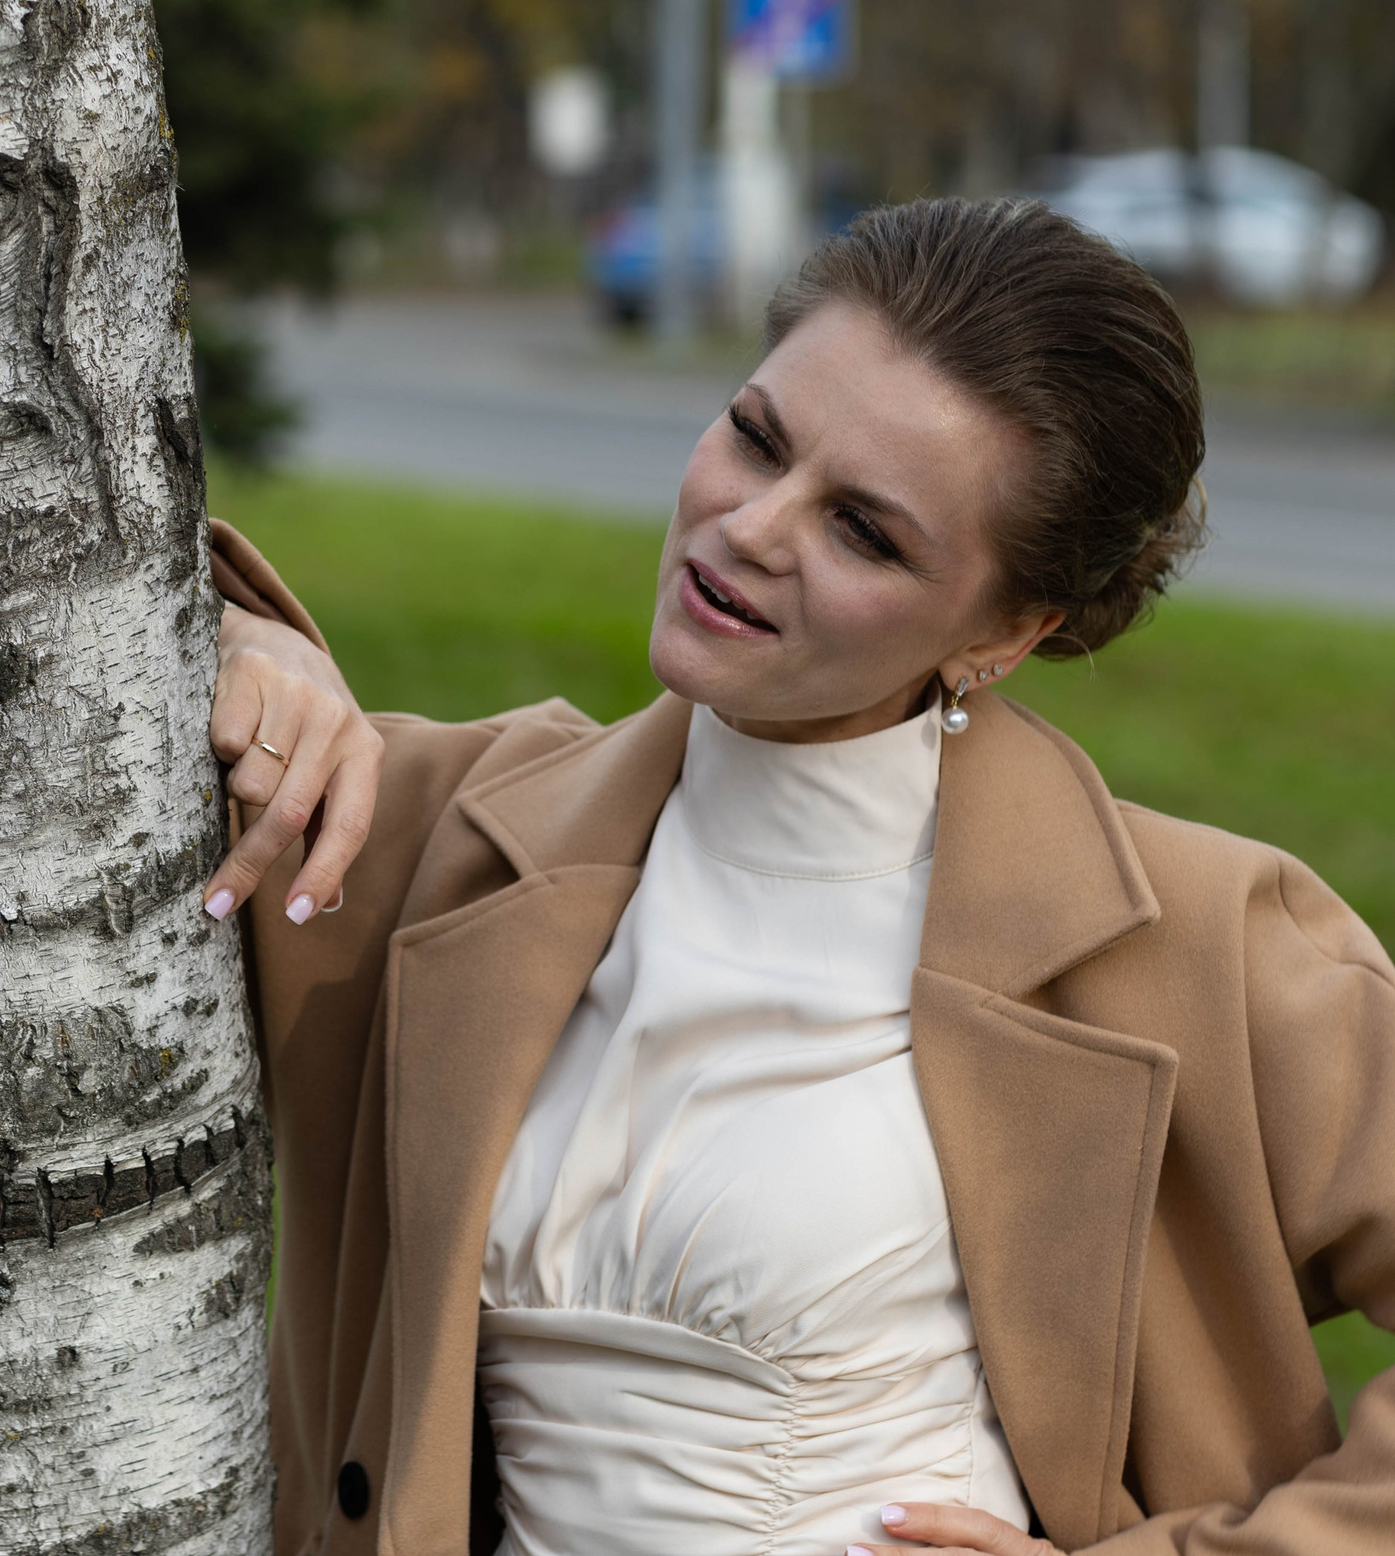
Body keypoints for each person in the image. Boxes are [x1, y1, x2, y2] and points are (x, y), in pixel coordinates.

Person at [199, 198, 1395, 1556]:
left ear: (1007, 632)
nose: (751, 527)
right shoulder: (432, 831)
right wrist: (238, 644)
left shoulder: (1208, 945)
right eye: (756, 437)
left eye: (865, 532)